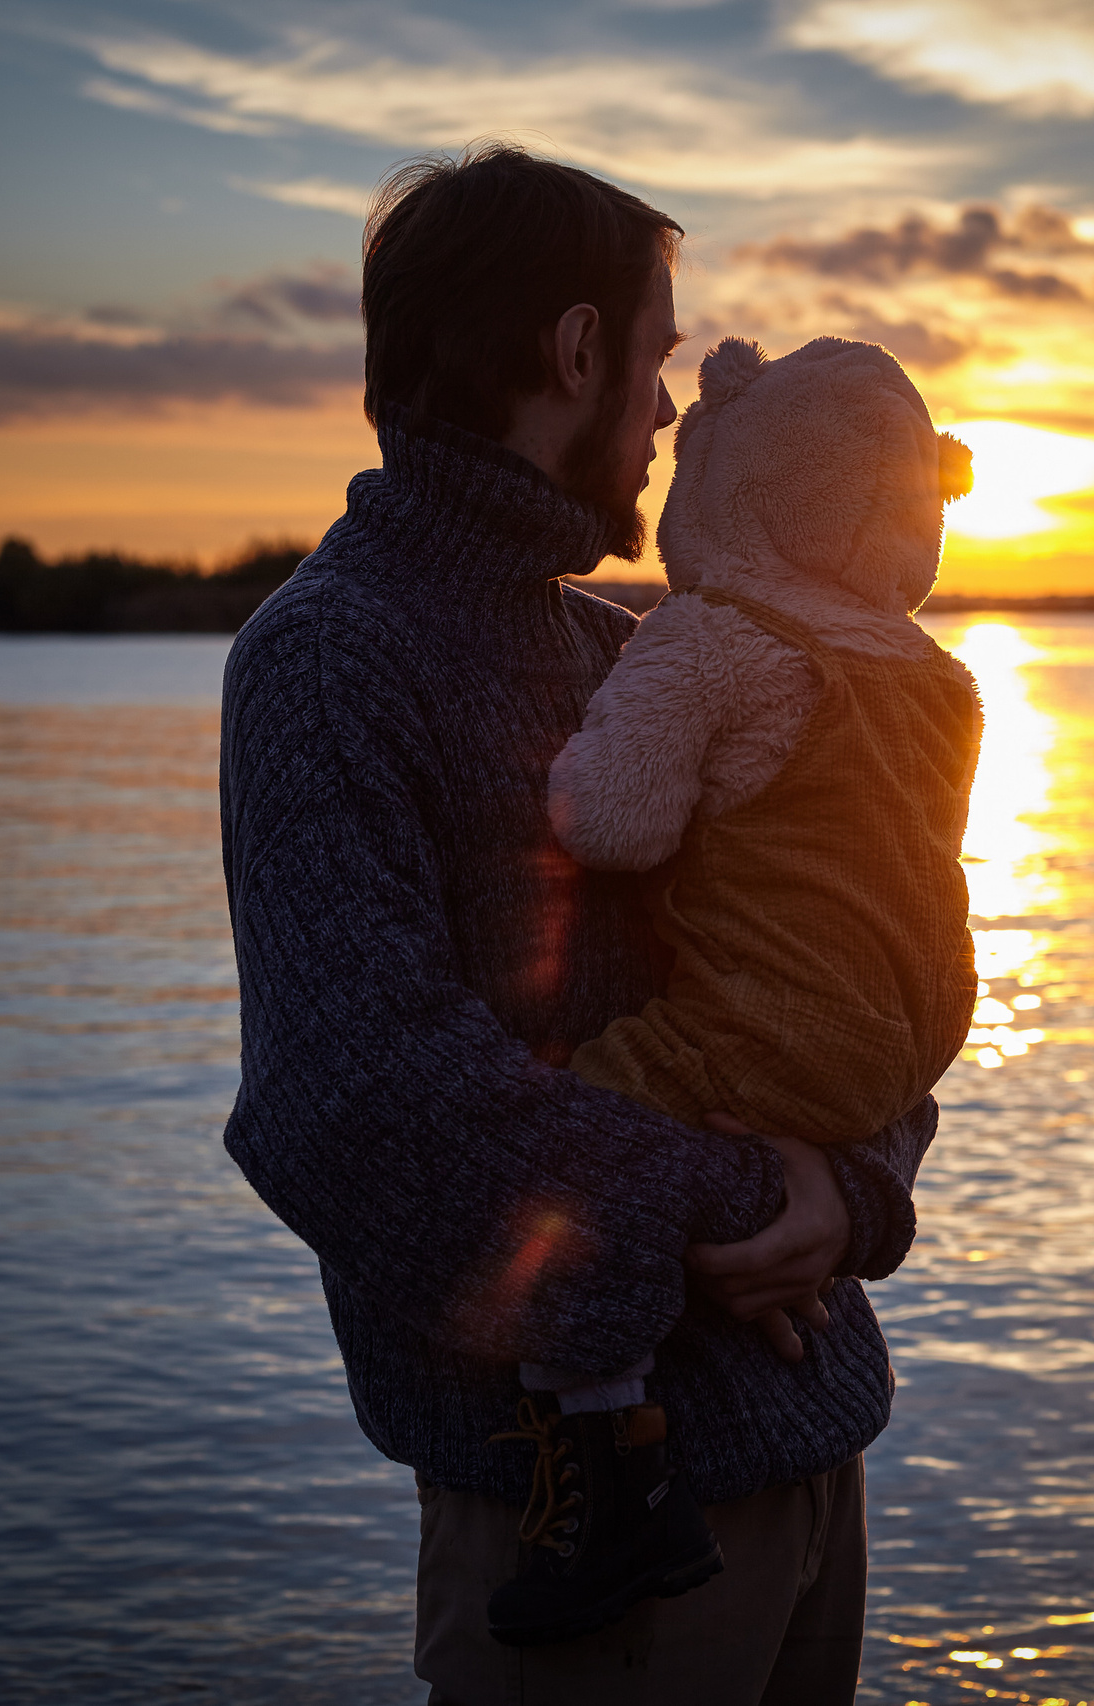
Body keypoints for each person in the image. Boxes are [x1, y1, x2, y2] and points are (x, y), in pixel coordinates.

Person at [216, 141, 936, 1706]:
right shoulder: (328, 660)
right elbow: (353, 1107)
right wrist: (756, 1185)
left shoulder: (645, 651)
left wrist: (857, 1189)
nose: (673, 411)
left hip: (811, 1466)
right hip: (587, 1547)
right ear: (576, 348)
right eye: (660, 355)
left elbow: (865, 949)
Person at [499, 335, 982, 1641]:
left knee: (567, 1143)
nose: (661, 418)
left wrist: (564, 771)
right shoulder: (938, 681)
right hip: (908, 1040)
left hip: (770, 1025)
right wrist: (838, 1175)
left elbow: (613, 820)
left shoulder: (711, 637)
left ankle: (606, 1462)